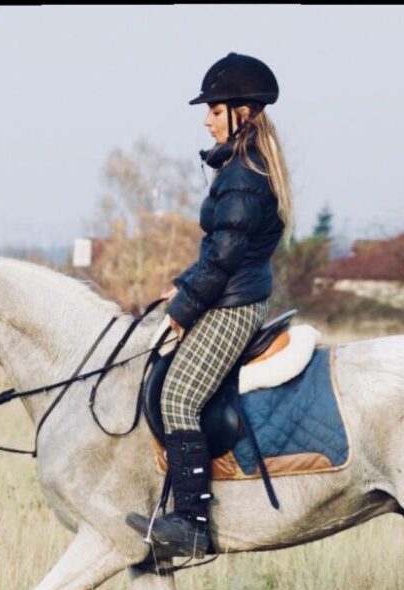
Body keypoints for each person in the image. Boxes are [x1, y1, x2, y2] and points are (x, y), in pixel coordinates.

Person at [126, 52, 294, 557]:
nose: (206, 119)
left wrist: (180, 314)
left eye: (214, 110)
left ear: (243, 112)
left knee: (177, 396)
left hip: (234, 305)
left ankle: (193, 525)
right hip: (229, 293)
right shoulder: (241, 168)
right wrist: (182, 287)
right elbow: (220, 251)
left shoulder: (243, 174)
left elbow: (223, 258)